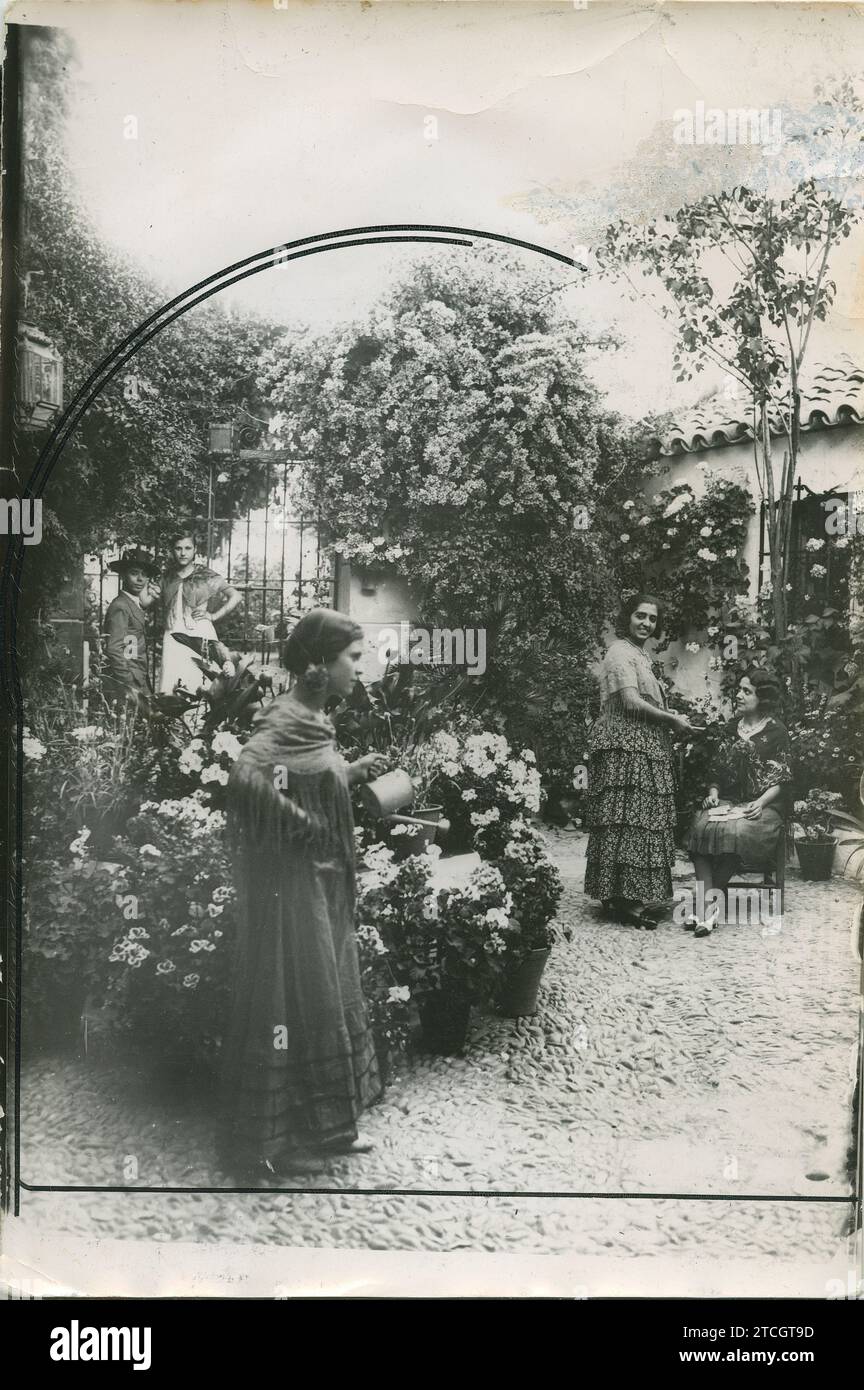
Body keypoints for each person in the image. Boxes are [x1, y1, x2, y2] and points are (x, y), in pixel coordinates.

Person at [220, 608, 389, 1179]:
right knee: (290, 997)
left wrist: (351, 771)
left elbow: (306, 772)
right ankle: (277, 1139)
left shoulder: (313, 721)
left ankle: (328, 1127)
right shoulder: (286, 717)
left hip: (319, 882)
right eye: (354, 659)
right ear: (320, 664)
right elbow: (247, 778)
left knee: (325, 989)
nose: (359, 671)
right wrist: (299, 822)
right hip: (290, 890)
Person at [584, 591, 693, 928]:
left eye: (652, 619)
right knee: (626, 819)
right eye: (640, 616)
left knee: (641, 819)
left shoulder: (639, 655)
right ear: (627, 617)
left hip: (642, 744)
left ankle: (628, 894)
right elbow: (630, 702)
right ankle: (621, 899)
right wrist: (670, 719)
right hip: (625, 747)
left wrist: (668, 716)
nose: (646, 623)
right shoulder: (619, 652)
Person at [686, 670, 792, 938]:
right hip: (729, 800)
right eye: (740, 689)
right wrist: (713, 791)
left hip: (764, 804)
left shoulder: (776, 731)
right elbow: (717, 771)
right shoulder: (730, 728)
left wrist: (760, 801)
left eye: (747, 691)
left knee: (737, 830)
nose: (739, 694)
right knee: (700, 825)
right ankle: (709, 902)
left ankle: (707, 905)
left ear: (763, 698)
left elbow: (785, 777)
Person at [154, 529, 241, 695]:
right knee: (171, 682)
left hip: (200, 632)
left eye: (187, 548)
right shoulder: (166, 577)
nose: (182, 553)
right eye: (178, 548)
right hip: (173, 633)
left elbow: (235, 596)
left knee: (199, 681)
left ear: (195, 550)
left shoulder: (206, 575)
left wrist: (213, 616)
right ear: (173, 551)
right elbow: (149, 598)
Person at [102, 548, 159, 709]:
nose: (140, 579)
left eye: (145, 574)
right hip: (128, 679)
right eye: (134, 573)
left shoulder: (133, 604)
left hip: (138, 676)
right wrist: (128, 682)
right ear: (123, 575)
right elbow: (114, 649)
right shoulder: (120, 606)